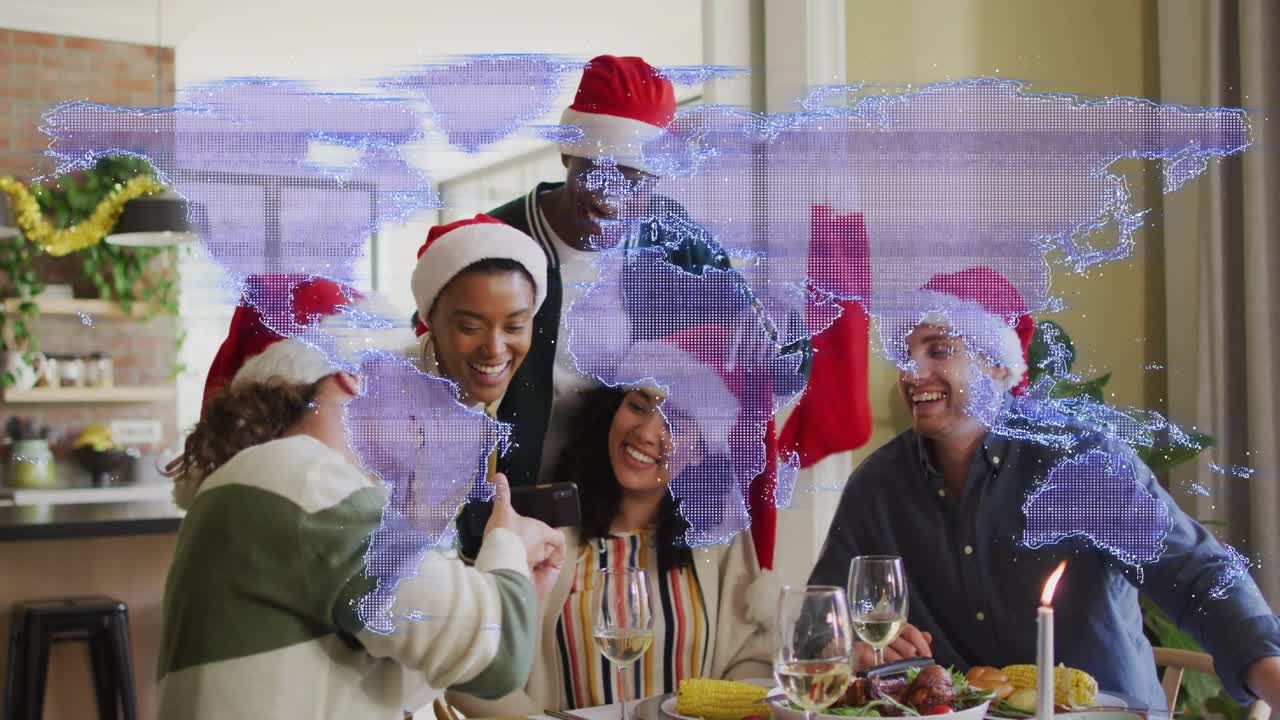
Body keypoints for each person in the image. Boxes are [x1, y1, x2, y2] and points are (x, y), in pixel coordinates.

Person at [808, 266, 1280, 709]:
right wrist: (851, 642)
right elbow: (820, 621)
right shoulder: (878, 486)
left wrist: (1271, 674)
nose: (912, 374)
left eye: (938, 350)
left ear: (996, 363)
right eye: (905, 356)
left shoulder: (1077, 462)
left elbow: (1195, 573)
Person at [448, 379, 777, 715]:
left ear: (702, 448)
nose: (647, 433)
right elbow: (471, 665)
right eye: (637, 406)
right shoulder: (541, 528)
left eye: (674, 422)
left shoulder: (720, 538)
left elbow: (750, 660)